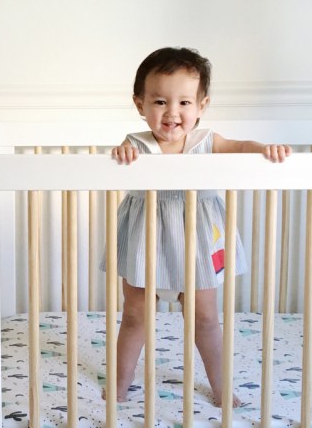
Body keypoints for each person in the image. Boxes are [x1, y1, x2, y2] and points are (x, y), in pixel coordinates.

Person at [102, 47, 291, 408]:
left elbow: (239, 147)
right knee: (134, 316)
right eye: (159, 101)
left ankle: (221, 388)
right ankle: (120, 385)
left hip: (197, 243)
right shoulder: (136, 144)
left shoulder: (206, 142)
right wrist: (121, 155)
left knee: (205, 318)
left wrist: (264, 149)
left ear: (201, 106)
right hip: (148, 241)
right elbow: (118, 156)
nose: (172, 112)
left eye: (184, 103)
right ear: (140, 104)